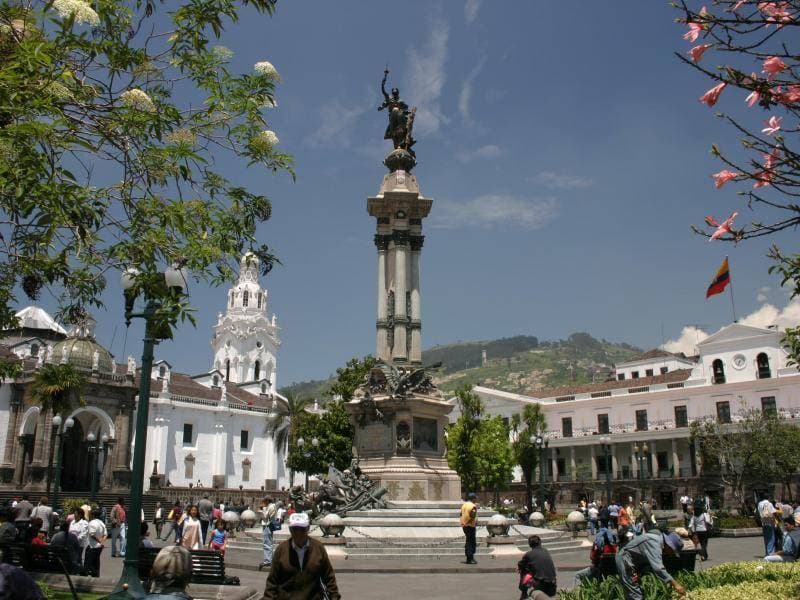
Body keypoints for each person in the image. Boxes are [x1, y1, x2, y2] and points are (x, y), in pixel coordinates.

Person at [263, 512, 341, 600]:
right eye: (295, 529)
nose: (298, 533)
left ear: (308, 528)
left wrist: (334, 597)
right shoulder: (281, 549)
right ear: (290, 529)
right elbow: (272, 581)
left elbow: (329, 577)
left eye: (302, 529)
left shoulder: (318, 548)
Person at [615, 519, 686, 600]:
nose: (670, 555)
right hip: (625, 560)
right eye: (672, 552)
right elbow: (658, 568)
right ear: (670, 545)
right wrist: (675, 584)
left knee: (635, 593)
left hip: (631, 562)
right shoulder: (655, 542)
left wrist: (640, 573)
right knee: (636, 596)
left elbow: (648, 562)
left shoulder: (657, 542)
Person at [517, 535, 557, 599]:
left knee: (524, 570)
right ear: (540, 542)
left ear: (529, 545)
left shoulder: (529, 554)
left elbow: (520, 565)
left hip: (541, 585)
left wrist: (521, 569)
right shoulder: (545, 551)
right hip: (553, 584)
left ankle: (524, 592)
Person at [85, 506, 107, 577]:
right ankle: (96, 575)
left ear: (93, 515)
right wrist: (102, 541)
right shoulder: (102, 523)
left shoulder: (92, 523)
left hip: (92, 546)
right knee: (96, 562)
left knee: (88, 563)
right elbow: (105, 534)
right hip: (99, 546)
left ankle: (87, 575)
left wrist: (98, 540)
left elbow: (92, 534)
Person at [259, 497, 277, 571]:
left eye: (263, 501)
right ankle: (269, 559)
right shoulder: (271, 506)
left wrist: (261, 510)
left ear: (267, 501)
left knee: (267, 543)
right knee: (268, 542)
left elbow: (266, 517)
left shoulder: (271, 506)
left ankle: (268, 561)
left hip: (267, 525)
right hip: (268, 525)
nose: (263, 503)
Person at [460, 492, 479, 565]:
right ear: (473, 498)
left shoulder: (464, 505)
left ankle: (469, 557)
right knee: (471, 542)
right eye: (475, 498)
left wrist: (463, 523)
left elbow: (461, 514)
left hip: (464, 526)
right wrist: (469, 522)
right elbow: (472, 516)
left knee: (468, 541)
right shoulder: (472, 506)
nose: (476, 499)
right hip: (470, 526)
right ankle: (470, 558)